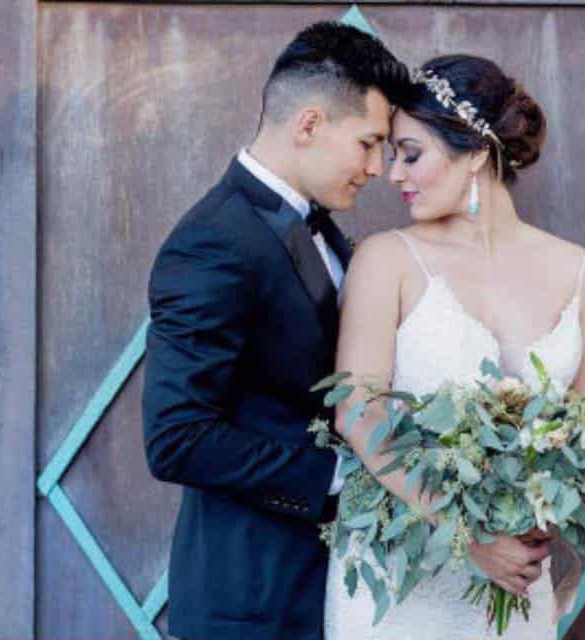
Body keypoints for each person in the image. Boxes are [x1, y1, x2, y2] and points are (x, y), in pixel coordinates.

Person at [323, 54, 585, 639]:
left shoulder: (579, 271)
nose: (392, 173)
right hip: (400, 590)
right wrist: (469, 534)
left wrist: (536, 518)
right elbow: (358, 409)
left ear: (477, 151)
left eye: (410, 153)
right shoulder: (387, 260)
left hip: (516, 582)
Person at [141, 22, 410, 640]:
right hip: (252, 603)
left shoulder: (316, 225)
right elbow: (176, 438)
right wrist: (346, 478)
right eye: (369, 143)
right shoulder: (213, 243)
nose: (376, 167)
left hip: (331, 588)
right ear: (309, 124)